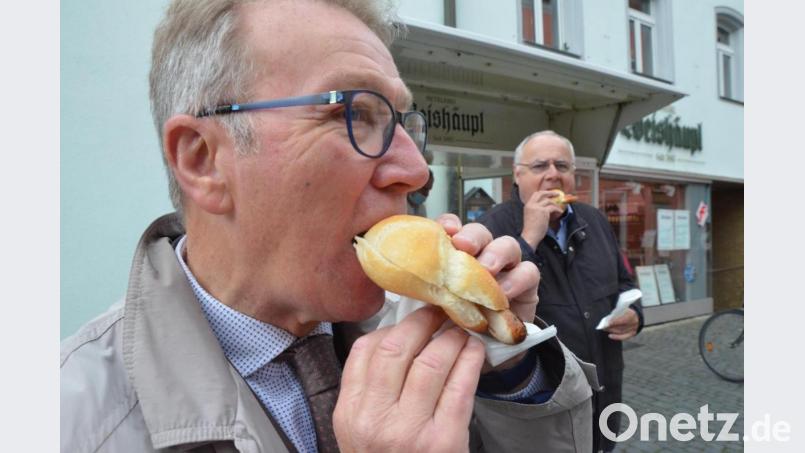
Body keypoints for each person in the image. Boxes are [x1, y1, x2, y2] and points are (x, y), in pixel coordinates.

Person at [60, 2, 598, 452]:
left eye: (402, 123)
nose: (414, 169)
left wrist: (507, 369)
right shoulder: (67, 421)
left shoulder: (416, 315)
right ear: (203, 160)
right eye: (351, 114)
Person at [477, 130, 645, 452]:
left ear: (572, 176)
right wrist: (529, 238)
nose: (553, 174)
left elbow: (625, 283)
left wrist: (635, 314)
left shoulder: (594, 221)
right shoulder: (493, 228)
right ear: (518, 174)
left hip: (605, 390)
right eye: (540, 166)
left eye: (562, 166)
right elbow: (491, 314)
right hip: (544, 399)